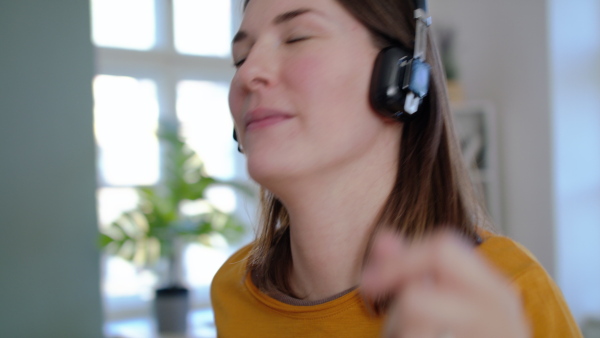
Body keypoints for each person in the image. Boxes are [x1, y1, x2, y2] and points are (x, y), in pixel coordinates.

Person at [211, 0, 582, 336]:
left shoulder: (506, 291)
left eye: (297, 37)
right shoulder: (232, 289)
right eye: (241, 57)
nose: (247, 74)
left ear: (401, 77)